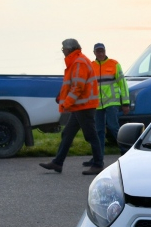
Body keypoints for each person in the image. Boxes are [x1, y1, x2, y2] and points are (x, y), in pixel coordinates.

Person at [39, 39, 104, 175]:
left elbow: (77, 87)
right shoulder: (77, 61)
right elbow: (74, 85)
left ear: (69, 49)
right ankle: (57, 163)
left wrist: (66, 103)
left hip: (84, 106)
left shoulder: (78, 62)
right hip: (81, 106)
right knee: (67, 134)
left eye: (63, 48)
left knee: (91, 135)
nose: (62, 51)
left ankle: (98, 164)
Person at [83, 42, 130, 167]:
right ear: (94, 53)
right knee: (98, 131)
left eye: (102, 51)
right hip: (97, 104)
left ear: (105, 51)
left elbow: (123, 85)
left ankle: (126, 153)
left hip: (112, 102)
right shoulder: (91, 66)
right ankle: (98, 158)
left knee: (113, 127)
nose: (100, 53)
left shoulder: (114, 64)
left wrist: (125, 102)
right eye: (98, 51)